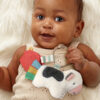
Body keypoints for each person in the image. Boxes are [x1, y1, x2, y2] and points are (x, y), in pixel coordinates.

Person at [0, 0, 100, 100]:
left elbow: (95, 79)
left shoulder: (78, 50)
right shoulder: (24, 51)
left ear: (77, 29)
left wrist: (84, 65)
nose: (46, 24)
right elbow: (9, 79)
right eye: (40, 17)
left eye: (58, 18)